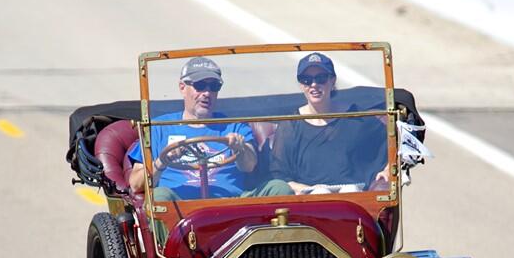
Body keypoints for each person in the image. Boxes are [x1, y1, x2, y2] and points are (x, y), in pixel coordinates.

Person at [127, 57, 291, 200]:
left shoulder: (235, 126)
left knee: (279, 188)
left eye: (214, 86)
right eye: (200, 86)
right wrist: (162, 161)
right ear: (182, 87)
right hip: (180, 205)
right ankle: (169, 237)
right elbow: (136, 184)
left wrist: (239, 148)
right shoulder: (158, 128)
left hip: (231, 202)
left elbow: (249, 166)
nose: (207, 93)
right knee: (159, 196)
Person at [269, 52, 389, 194]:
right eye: (306, 80)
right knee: (321, 193)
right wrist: (308, 189)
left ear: (332, 81)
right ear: (301, 85)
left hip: (353, 195)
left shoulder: (356, 117)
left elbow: (392, 142)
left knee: (349, 190)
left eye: (321, 78)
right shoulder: (290, 125)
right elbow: (281, 177)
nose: (314, 85)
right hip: (310, 198)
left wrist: (387, 170)